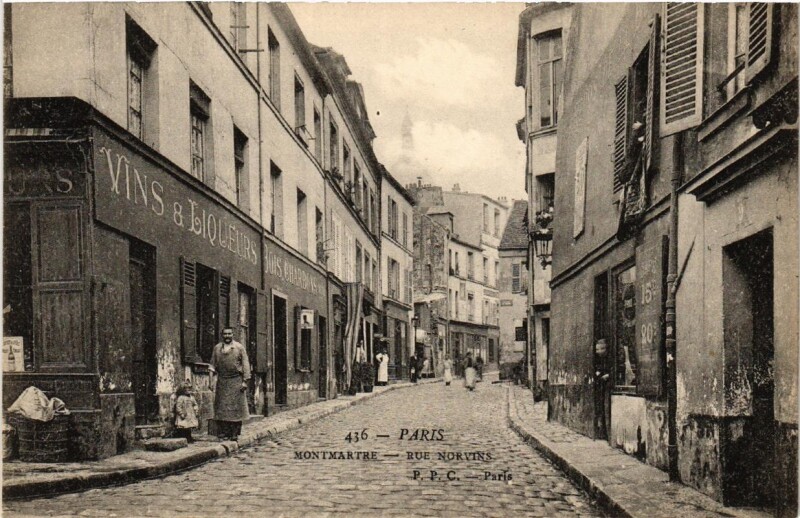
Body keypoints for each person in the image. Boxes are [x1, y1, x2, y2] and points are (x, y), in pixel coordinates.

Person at [210, 327, 251, 441]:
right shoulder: (217, 348)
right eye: (225, 334)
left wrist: (245, 381)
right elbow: (212, 365)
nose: (227, 336)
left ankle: (234, 433)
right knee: (222, 407)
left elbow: (245, 364)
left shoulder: (239, 347)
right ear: (222, 335)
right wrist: (210, 381)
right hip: (222, 381)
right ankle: (224, 432)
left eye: (229, 334)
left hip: (236, 380)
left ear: (233, 334)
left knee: (236, 408)